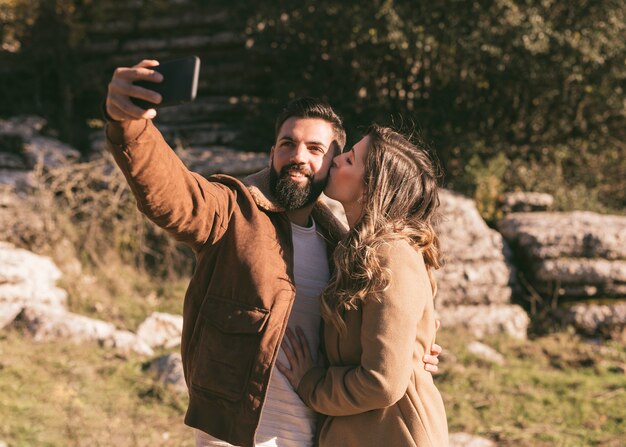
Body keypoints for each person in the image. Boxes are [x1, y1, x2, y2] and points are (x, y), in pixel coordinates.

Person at [104, 59, 442, 447]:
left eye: (315, 148)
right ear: (272, 153)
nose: (298, 156)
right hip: (235, 433)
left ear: (334, 162)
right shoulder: (232, 211)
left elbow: (383, 335)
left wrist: (414, 352)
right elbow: (174, 196)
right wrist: (128, 124)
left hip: (318, 434)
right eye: (287, 144)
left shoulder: (344, 246)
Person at [277, 125, 449, 446]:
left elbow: (382, 382)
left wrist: (310, 383)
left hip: (394, 435)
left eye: (351, 159)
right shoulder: (355, 249)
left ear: (371, 187)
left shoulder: (392, 253)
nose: (337, 159)